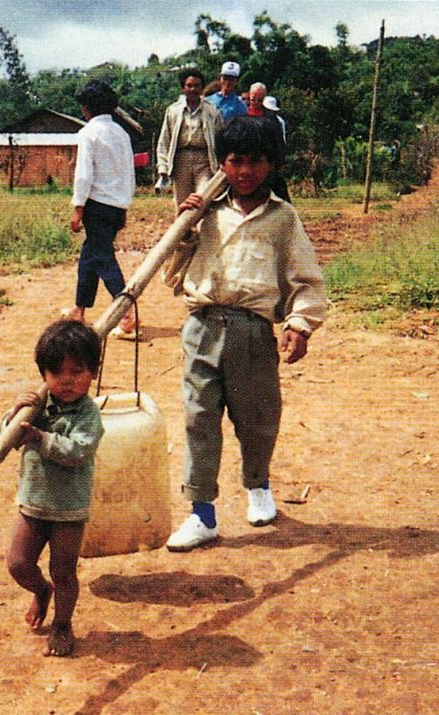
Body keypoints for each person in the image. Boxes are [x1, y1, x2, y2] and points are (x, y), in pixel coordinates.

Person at [164, 116, 328, 552]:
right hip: (202, 326)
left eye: (256, 161)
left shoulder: (282, 218)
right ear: (223, 163)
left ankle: (258, 486)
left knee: (256, 420)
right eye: (235, 161)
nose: (245, 171)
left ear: (271, 164)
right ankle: (202, 513)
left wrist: (299, 324)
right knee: (199, 419)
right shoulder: (207, 214)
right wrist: (184, 230)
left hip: (252, 331)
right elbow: (173, 273)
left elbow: (306, 279)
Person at [3, 320, 104, 657]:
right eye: (57, 372)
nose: (67, 380)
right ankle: (39, 591)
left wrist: (41, 438)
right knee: (18, 563)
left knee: (63, 571)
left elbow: (77, 451)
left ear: (93, 372)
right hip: (33, 502)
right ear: (43, 374)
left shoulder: (88, 414)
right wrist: (14, 414)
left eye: (77, 371)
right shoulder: (38, 406)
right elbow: (6, 440)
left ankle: (62, 624)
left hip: (68, 509)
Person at [65, 80, 138, 339]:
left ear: (86, 108)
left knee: (103, 258)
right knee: (89, 257)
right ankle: (79, 309)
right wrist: (125, 203)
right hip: (116, 205)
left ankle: (126, 311)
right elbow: (129, 172)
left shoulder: (88, 134)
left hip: (97, 205)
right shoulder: (122, 133)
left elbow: (84, 174)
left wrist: (78, 208)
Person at [156, 69, 223, 207]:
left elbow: (221, 139)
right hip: (181, 160)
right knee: (182, 202)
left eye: (197, 86)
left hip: (204, 160)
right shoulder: (173, 111)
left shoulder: (212, 111)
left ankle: (203, 228)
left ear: (202, 88)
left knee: (203, 199)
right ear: (183, 88)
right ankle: (183, 229)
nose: (193, 89)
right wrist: (163, 166)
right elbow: (164, 140)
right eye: (189, 85)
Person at [246, 84, 291, 203]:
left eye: (259, 100)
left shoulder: (272, 120)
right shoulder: (241, 115)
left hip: (266, 166)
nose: (256, 102)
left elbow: (279, 145)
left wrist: (275, 165)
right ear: (249, 97)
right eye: (253, 99)